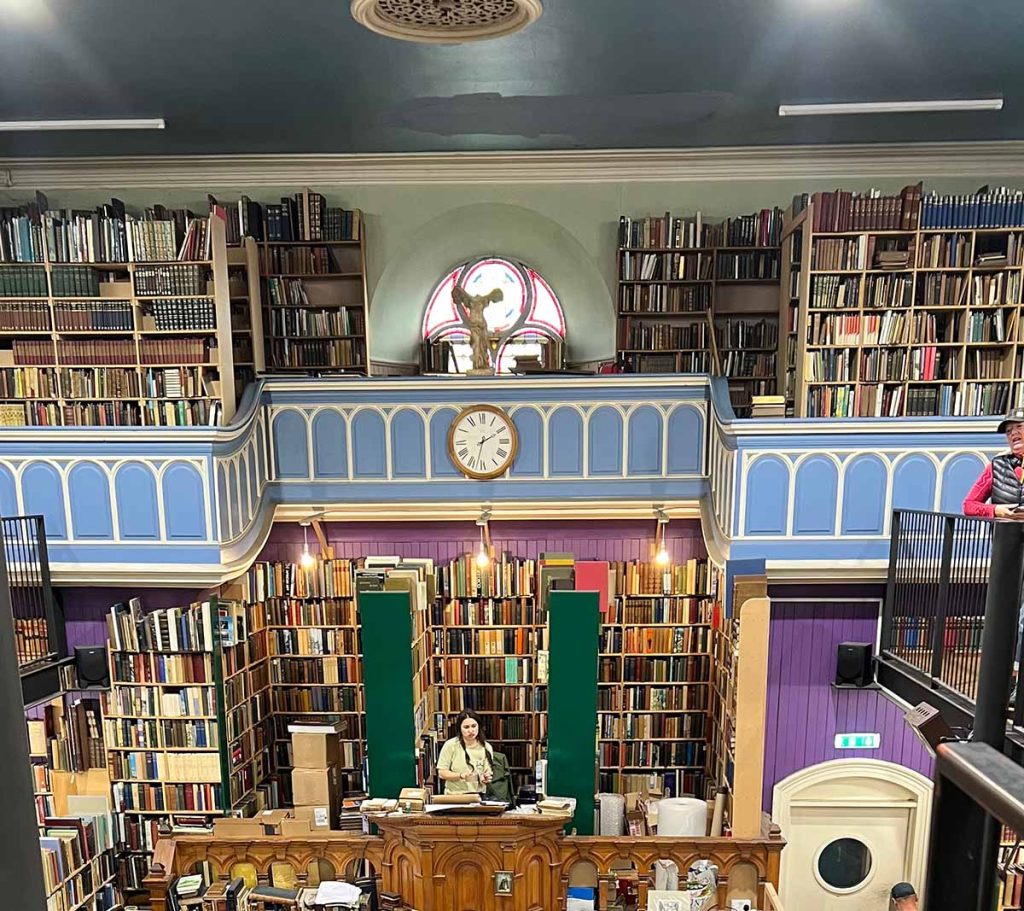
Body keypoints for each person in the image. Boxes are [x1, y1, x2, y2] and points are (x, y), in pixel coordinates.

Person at [962, 407, 1024, 519]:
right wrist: (995, 510)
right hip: (1005, 534)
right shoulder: (997, 466)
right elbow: (969, 505)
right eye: (1008, 431)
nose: (1013, 433)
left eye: (1019, 426)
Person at [436, 710, 495, 795]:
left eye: (474, 726)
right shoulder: (450, 745)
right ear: (460, 728)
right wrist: (460, 775)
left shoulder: (487, 747)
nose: (471, 730)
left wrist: (486, 777)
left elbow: (488, 771)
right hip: (454, 795)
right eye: (466, 727)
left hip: (478, 795)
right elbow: (441, 773)